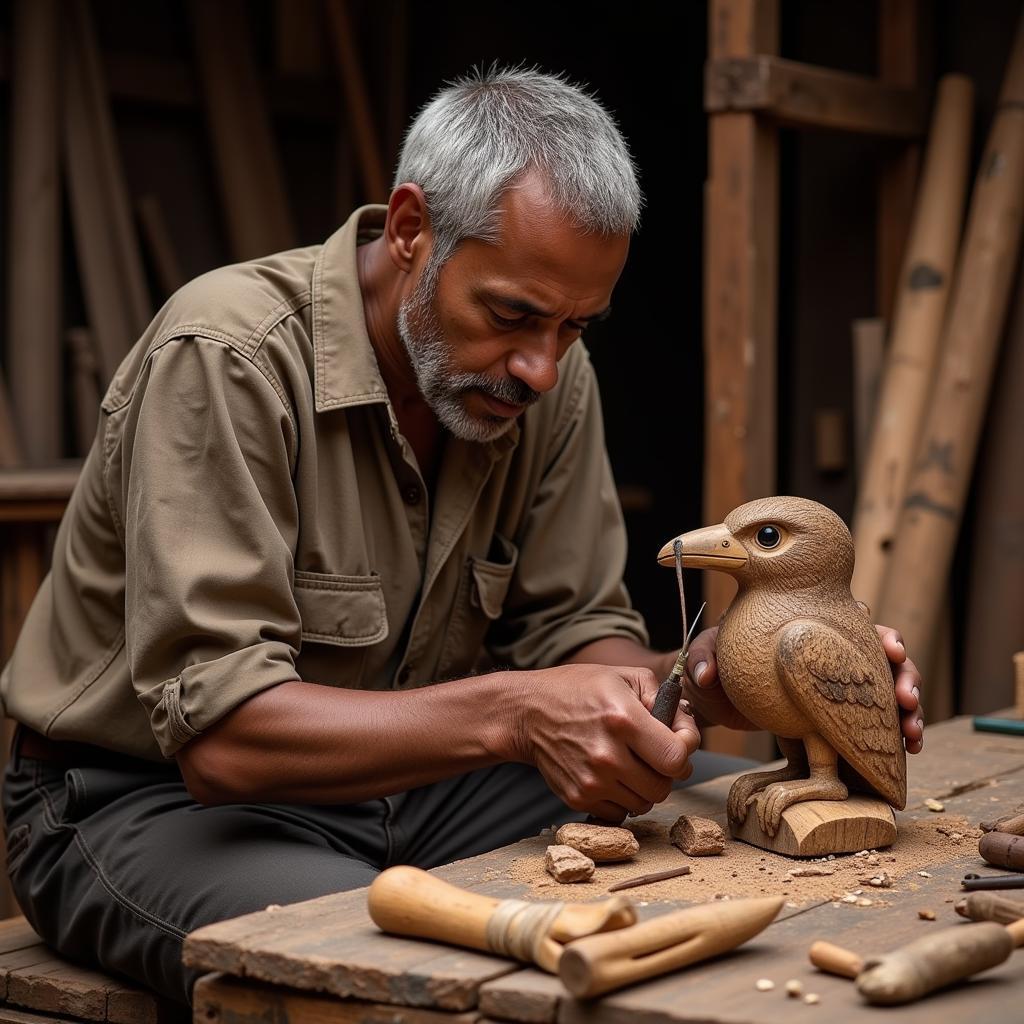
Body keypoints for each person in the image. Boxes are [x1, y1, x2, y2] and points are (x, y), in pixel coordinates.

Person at [0, 67, 924, 1005]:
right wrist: (518, 714)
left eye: (575, 326)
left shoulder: (548, 375)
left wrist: (716, 679)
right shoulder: (228, 360)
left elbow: (576, 640)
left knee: (777, 845)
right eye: (512, 315)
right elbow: (226, 740)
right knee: (417, 975)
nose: (540, 366)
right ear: (411, 229)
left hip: (430, 788)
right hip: (146, 806)